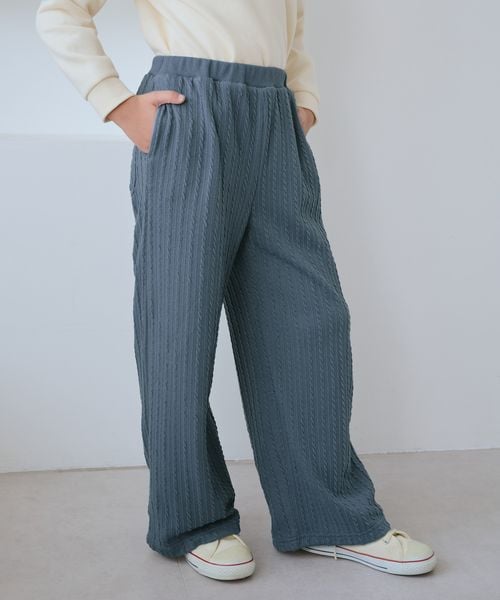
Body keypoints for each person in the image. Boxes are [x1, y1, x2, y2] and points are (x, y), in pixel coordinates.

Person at [35, 0, 437, 582]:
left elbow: (293, 26)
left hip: (274, 115)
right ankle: (193, 520)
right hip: (188, 109)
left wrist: (303, 102)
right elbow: (61, 10)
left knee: (309, 320)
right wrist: (118, 104)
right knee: (180, 325)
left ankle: (330, 516)